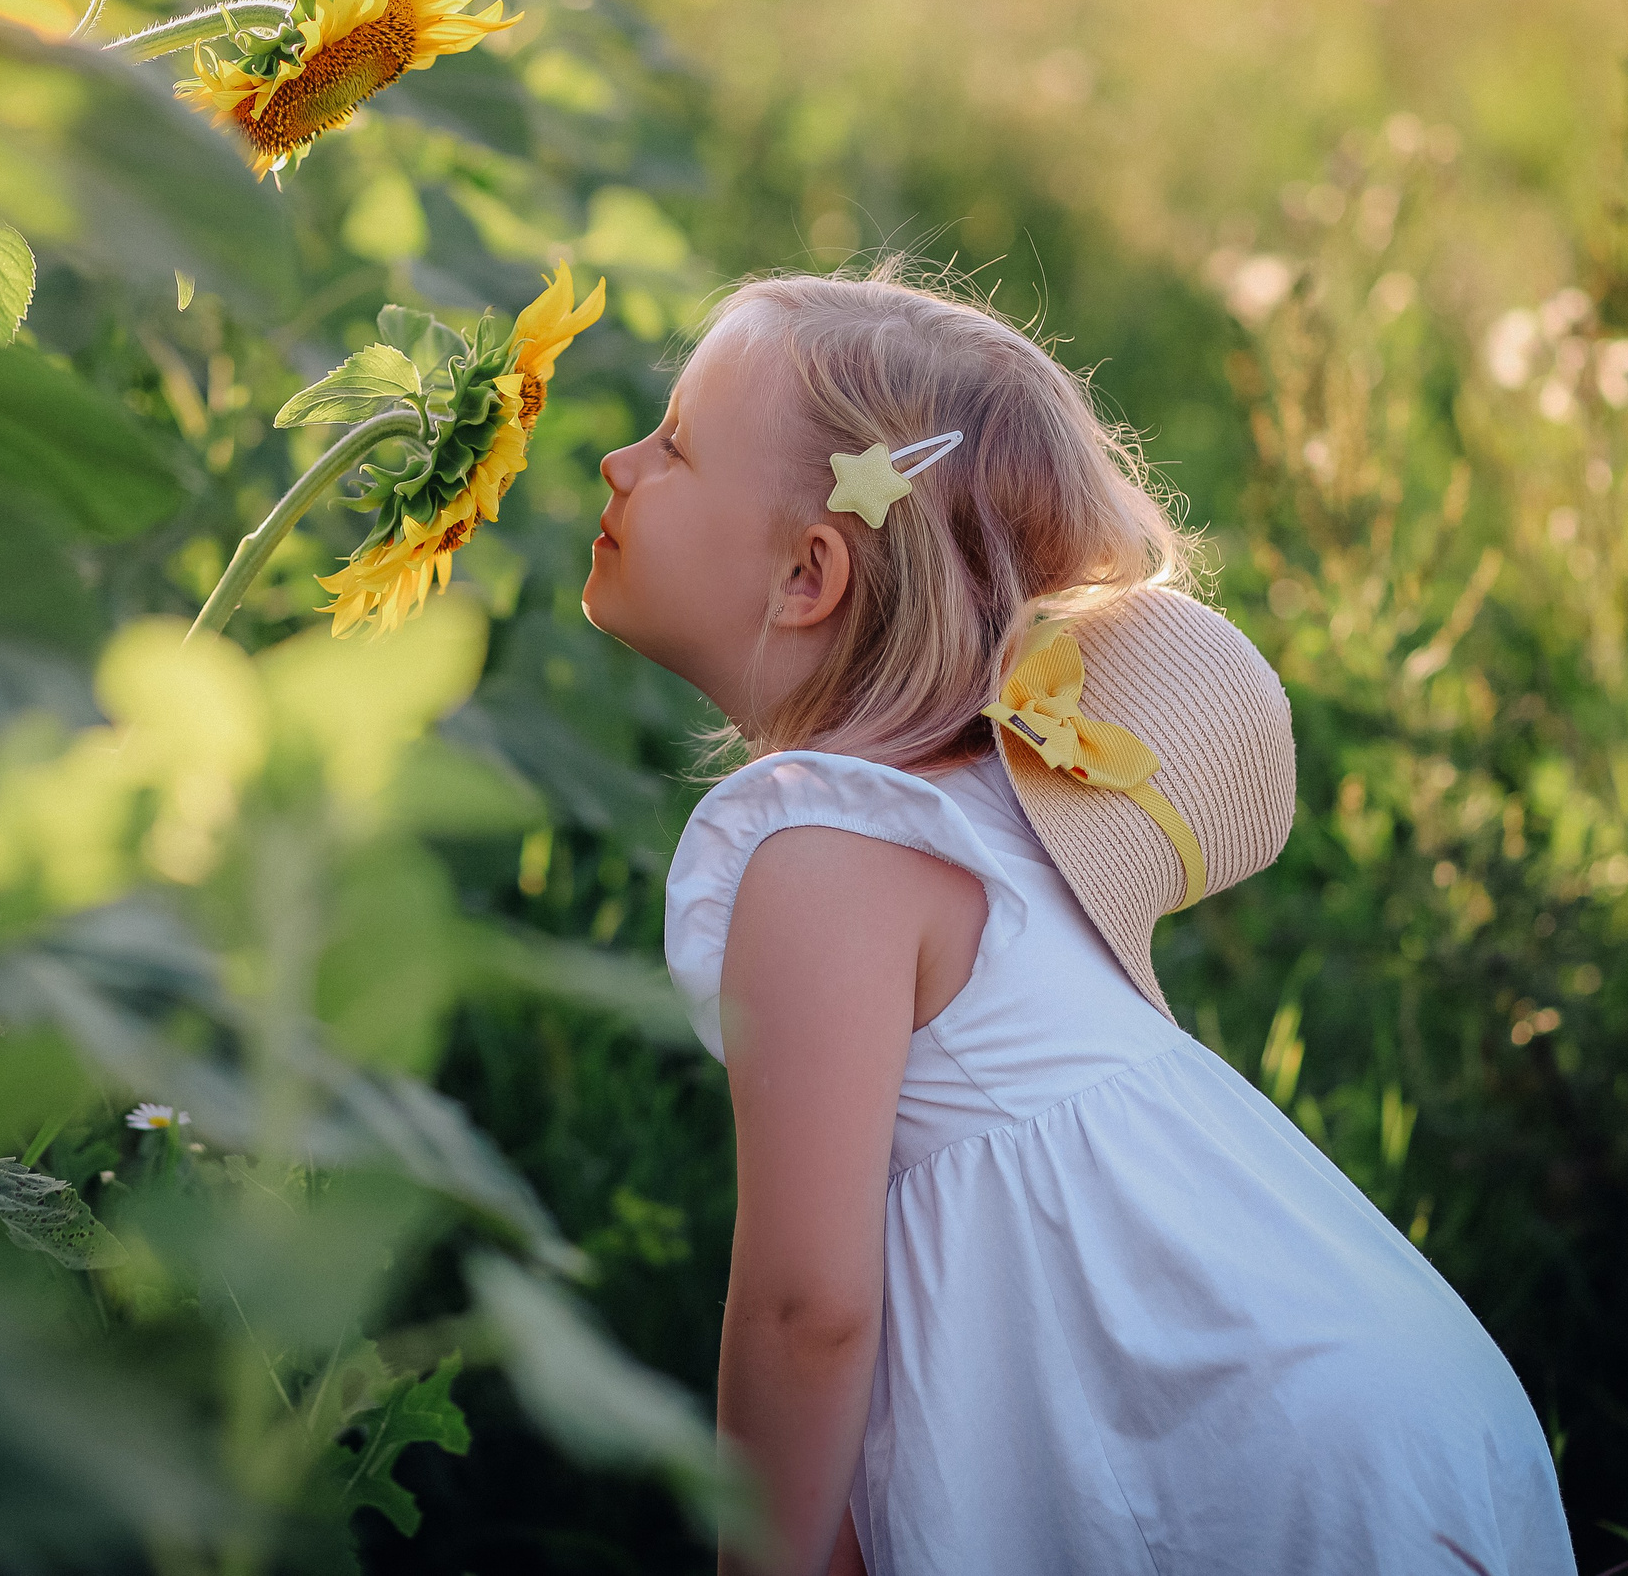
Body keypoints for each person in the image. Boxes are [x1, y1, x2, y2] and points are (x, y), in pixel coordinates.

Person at [580, 266, 1574, 1576]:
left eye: (675, 446)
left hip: (1276, 1464)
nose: (616, 460)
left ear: (810, 573)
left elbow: (803, 1312)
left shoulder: (826, 856)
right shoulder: (991, 807)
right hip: (1367, 1395)